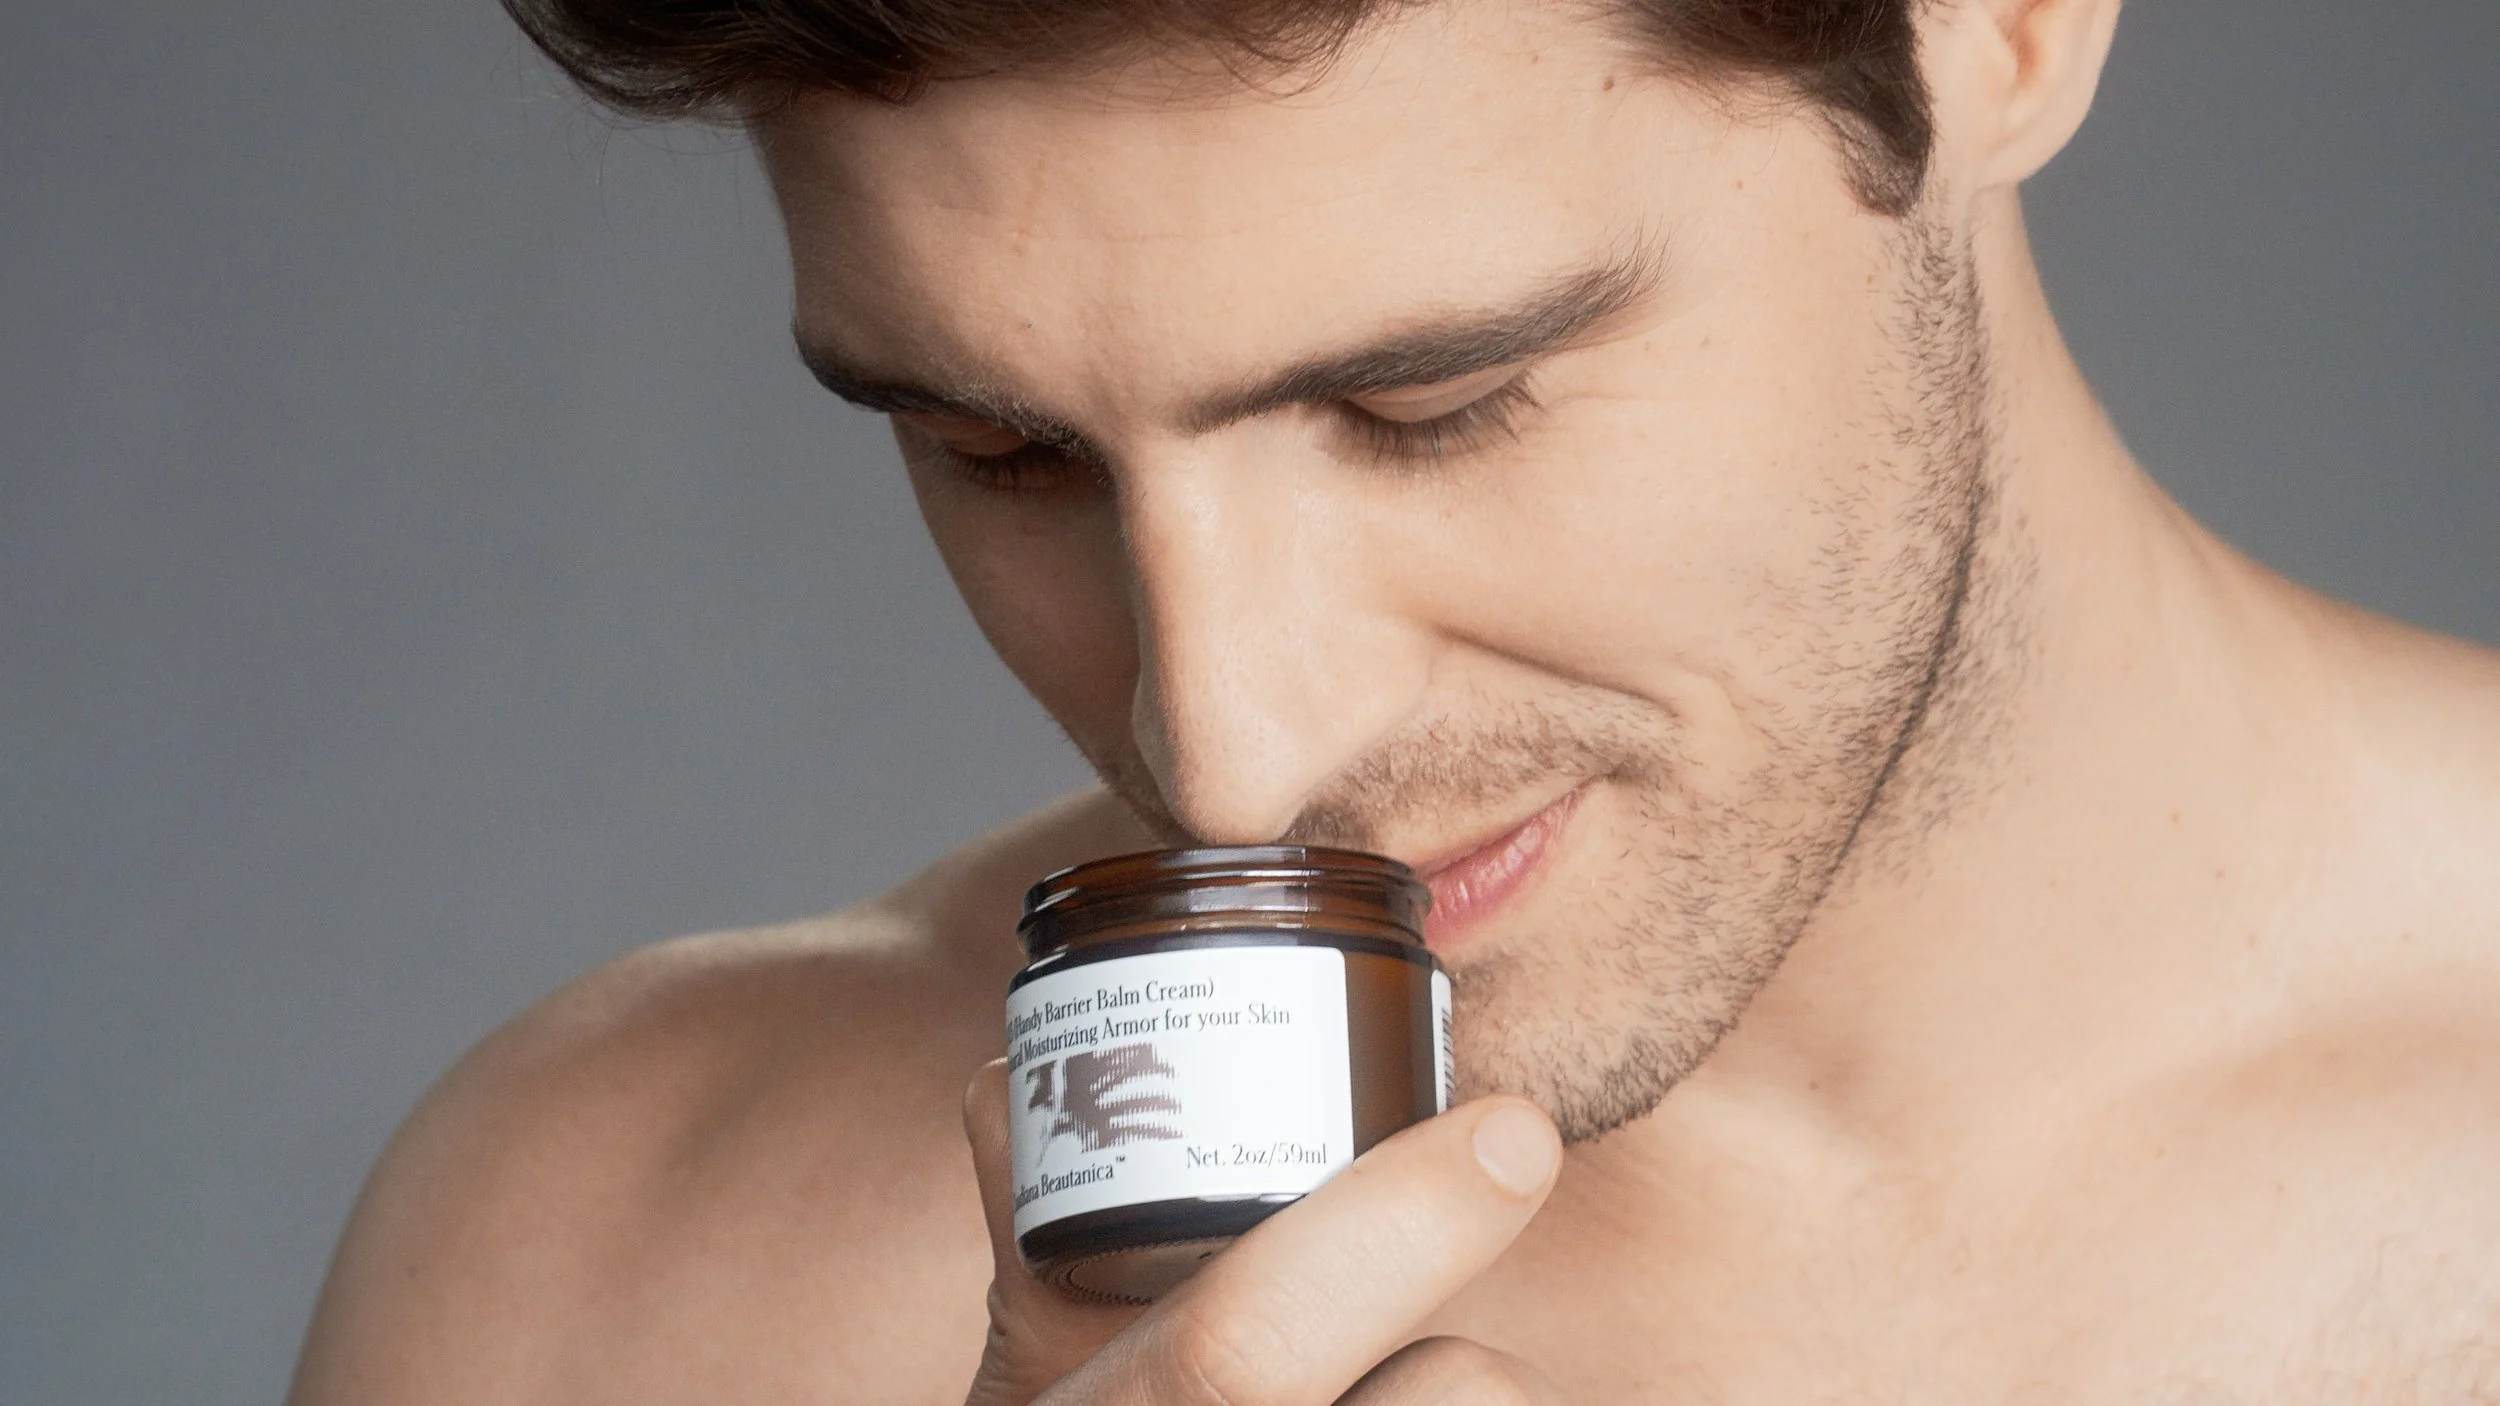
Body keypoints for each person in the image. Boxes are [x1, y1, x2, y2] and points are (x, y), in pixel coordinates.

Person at [288, 0, 2500, 1399]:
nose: (1229, 758)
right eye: (1003, 454)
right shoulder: (606, 1281)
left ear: (1992, 32)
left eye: (1432, 402)